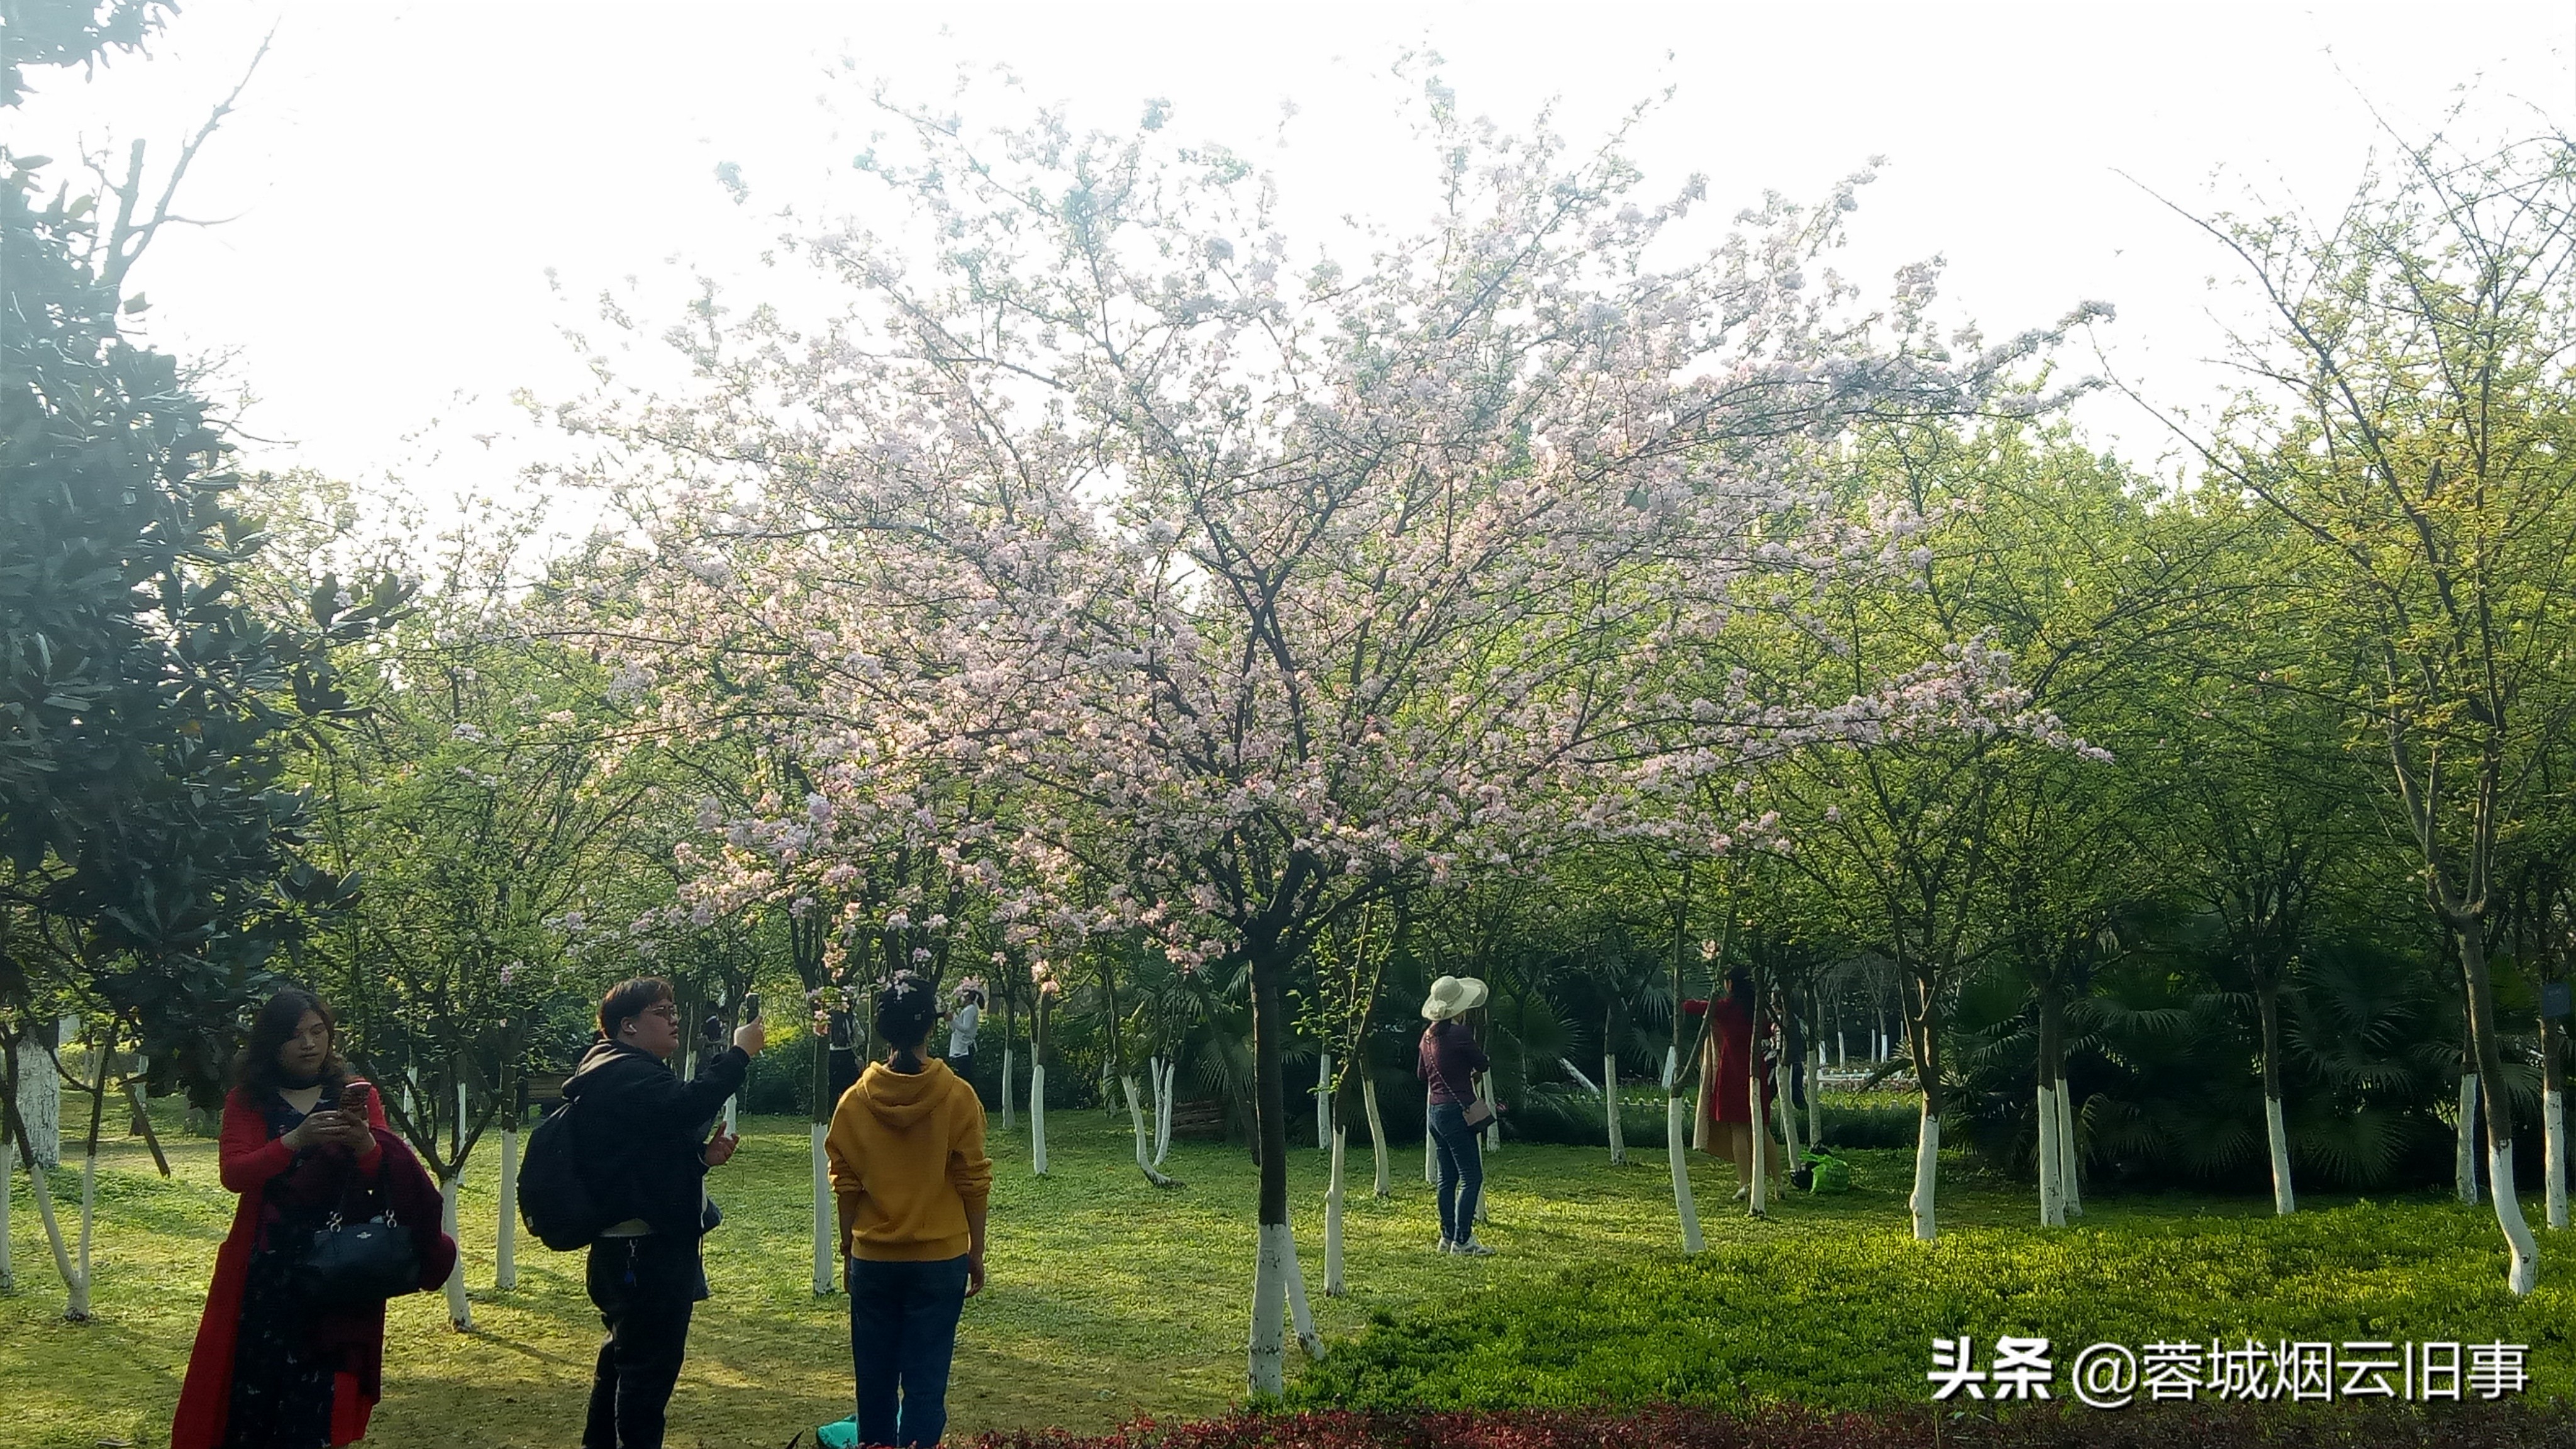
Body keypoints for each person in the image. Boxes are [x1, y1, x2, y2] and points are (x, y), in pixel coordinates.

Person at [173, 988, 457, 1449]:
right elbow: (236, 1174)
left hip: (341, 1260)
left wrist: (366, 1144)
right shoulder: (248, 1100)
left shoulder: (353, 1091)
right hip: (267, 1266)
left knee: (327, 1392)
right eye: (294, 1035)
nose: (309, 1044)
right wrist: (295, 1141)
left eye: (317, 1031)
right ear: (271, 1044)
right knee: (255, 1391)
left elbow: (382, 1172)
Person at [563, 977, 765, 1449]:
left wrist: (699, 1159)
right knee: (645, 1377)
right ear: (628, 1026)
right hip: (642, 1253)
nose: (674, 1018)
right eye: (661, 1011)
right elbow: (686, 1105)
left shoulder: (619, 1071)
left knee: (622, 1364)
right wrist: (739, 1055)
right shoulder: (624, 1073)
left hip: (631, 1248)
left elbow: (639, 1162)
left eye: (673, 1008)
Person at [827, 971, 992, 1449]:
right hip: (939, 1260)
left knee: (873, 1385)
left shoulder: (853, 1102)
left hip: (874, 1261)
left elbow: (846, 1186)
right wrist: (975, 1251)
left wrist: (848, 1250)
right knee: (925, 1384)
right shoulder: (958, 1096)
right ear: (934, 1025)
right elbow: (973, 1182)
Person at [1415, 974, 1494, 1257]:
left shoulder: (1427, 1036)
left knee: (1447, 1178)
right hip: (1457, 1110)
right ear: (1459, 1007)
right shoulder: (1459, 1034)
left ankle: (1447, 1236)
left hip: (1435, 1111)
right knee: (1472, 1177)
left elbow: (1422, 1075)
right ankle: (1464, 1240)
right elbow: (1482, 1063)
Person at [1692, 968, 1782, 1201]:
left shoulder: (1725, 1007)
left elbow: (1695, 1007)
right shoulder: (1757, 1009)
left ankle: (1745, 1183)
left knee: (1739, 1130)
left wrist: (1685, 999)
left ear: (1730, 984)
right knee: (1762, 1129)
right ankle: (1779, 1184)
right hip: (1756, 1069)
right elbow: (1766, 1031)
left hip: (1732, 1070)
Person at [945, 977, 985, 1087]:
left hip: (964, 1050)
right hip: (959, 1048)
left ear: (967, 998)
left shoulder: (970, 1009)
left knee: (963, 1079)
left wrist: (953, 1020)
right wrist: (950, 1020)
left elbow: (966, 1028)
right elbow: (955, 1029)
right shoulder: (966, 1010)